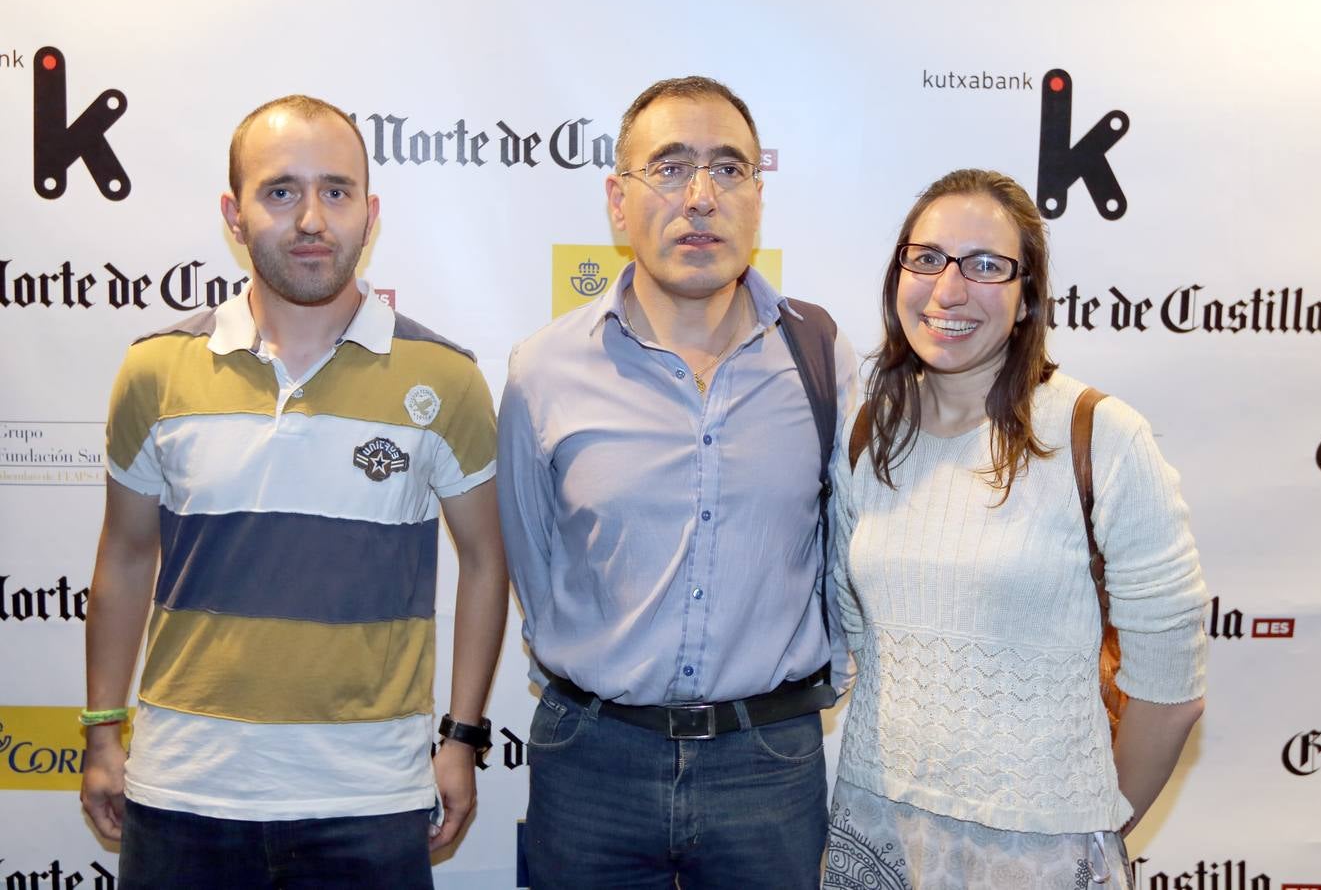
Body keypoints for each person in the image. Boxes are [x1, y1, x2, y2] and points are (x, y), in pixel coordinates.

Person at [78, 94, 509, 889]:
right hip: (184, 792)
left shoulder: (445, 378)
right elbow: (126, 556)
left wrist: (461, 738)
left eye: (335, 191)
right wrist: (103, 727)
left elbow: (485, 563)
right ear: (234, 215)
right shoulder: (155, 370)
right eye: (281, 191)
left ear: (369, 214)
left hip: (371, 797)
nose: (312, 218)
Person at [497, 75, 857, 889]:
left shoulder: (822, 357)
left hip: (768, 764)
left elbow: (841, 549)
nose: (700, 197)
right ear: (617, 202)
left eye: (727, 169)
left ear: (758, 198)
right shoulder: (543, 370)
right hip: (592, 761)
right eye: (669, 168)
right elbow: (534, 562)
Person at [825, 169, 1207, 888]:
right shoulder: (870, 434)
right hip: (877, 833)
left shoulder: (1103, 437)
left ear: (1028, 295)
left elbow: (1171, 691)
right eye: (927, 258)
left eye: (986, 266)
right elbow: (855, 641)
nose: (948, 289)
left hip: (1038, 853)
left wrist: (1086, 830)